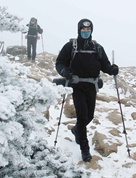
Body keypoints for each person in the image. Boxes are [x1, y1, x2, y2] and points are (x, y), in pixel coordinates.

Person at [55, 18, 119, 162]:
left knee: (89, 116)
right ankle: (85, 149)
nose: (85, 32)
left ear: (91, 31)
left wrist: (112, 69)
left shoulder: (97, 48)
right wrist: (65, 72)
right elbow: (59, 63)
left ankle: (76, 130)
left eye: (88, 30)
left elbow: (105, 65)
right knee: (82, 116)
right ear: (79, 30)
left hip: (91, 86)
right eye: (83, 30)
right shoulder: (71, 46)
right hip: (77, 86)